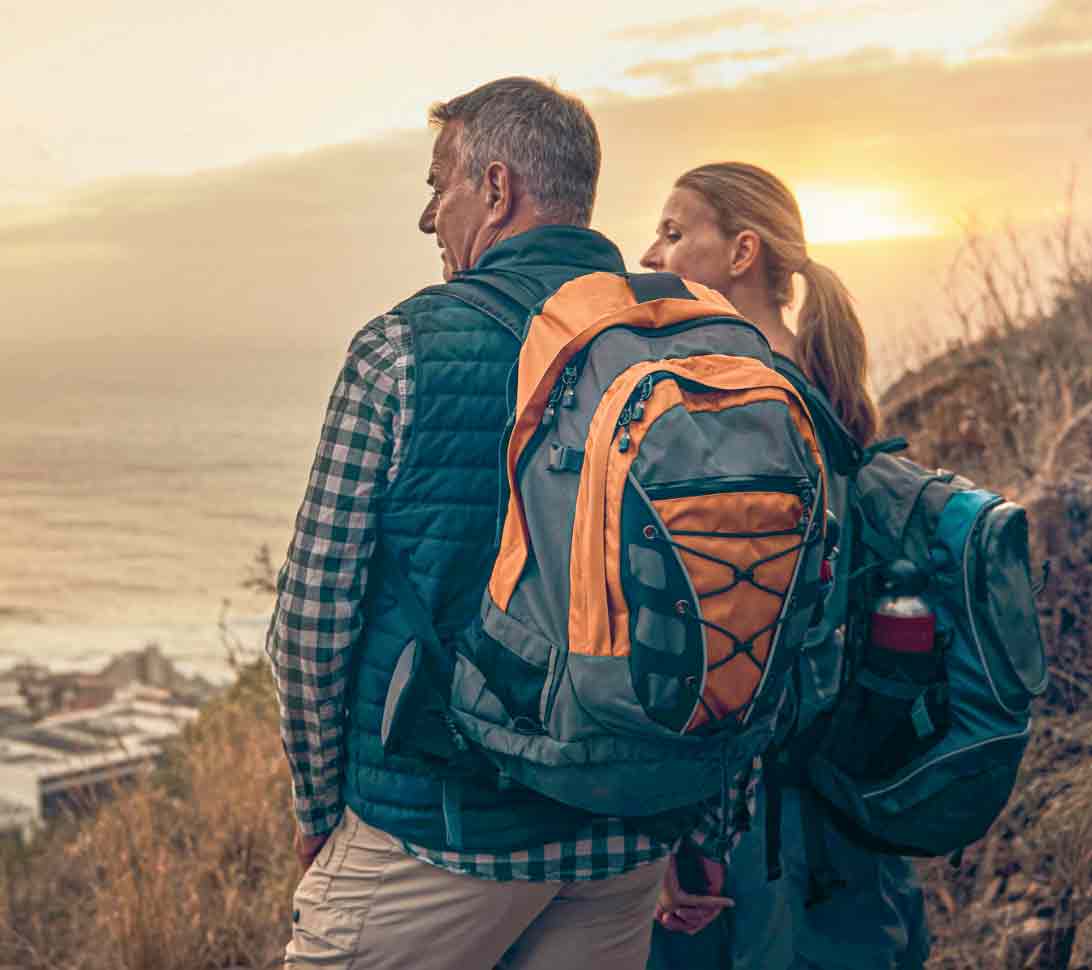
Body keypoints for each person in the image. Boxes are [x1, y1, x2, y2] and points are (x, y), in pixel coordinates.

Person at [266, 77, 732, 970]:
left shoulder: (403, 346)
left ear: (495, 186)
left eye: (436, 184)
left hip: (438, 834)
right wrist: (698, 815)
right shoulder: (693, 342)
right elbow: (738, 597)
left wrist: (320, 811)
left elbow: (310, 626)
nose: (426, 217)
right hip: (624, 836)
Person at [640, 162, 931, 970]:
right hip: (839, 778)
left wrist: (674, 835)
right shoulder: (821, 378)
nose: (652, 253)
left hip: (755, 808)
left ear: (742, 251)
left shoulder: (732, 396)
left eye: (673, 231)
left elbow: (715, 631)